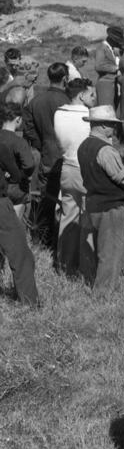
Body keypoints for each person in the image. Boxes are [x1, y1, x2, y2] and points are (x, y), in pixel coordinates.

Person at [77, 106, 124, 290]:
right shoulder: (106, 150)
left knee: (96, 249)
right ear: (104, 125)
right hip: (110, 206)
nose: (114, 128)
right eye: (112, 125)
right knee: (111, 252)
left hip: (93, 203)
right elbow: (120, 177)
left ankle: (91, 281)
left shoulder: (84, 145)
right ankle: (104, 292)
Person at [23, 62, 69, 247]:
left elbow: (28, 128)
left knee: (46, 197)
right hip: (65, 155)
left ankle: (42, 238)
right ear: (65, 78)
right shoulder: (68, 102)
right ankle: (63, 238)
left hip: (47, 154)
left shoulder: (36, 101)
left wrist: (40, 144)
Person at [53, 78, 95, 278]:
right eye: (91, 94)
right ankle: (86, 267)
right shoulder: (89, 116)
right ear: (81, 95)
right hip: (85, 170)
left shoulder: (59, 113)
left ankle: (64, 264)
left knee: (67, 216)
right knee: (87, 220)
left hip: (67, 166)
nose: (93, 98)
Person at [0, 102, 35, 304]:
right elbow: (21, 169)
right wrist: (17, 175)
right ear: (18, 119)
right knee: (19, 249)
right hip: (7, 195)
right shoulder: (11, 141)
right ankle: (29, 302)